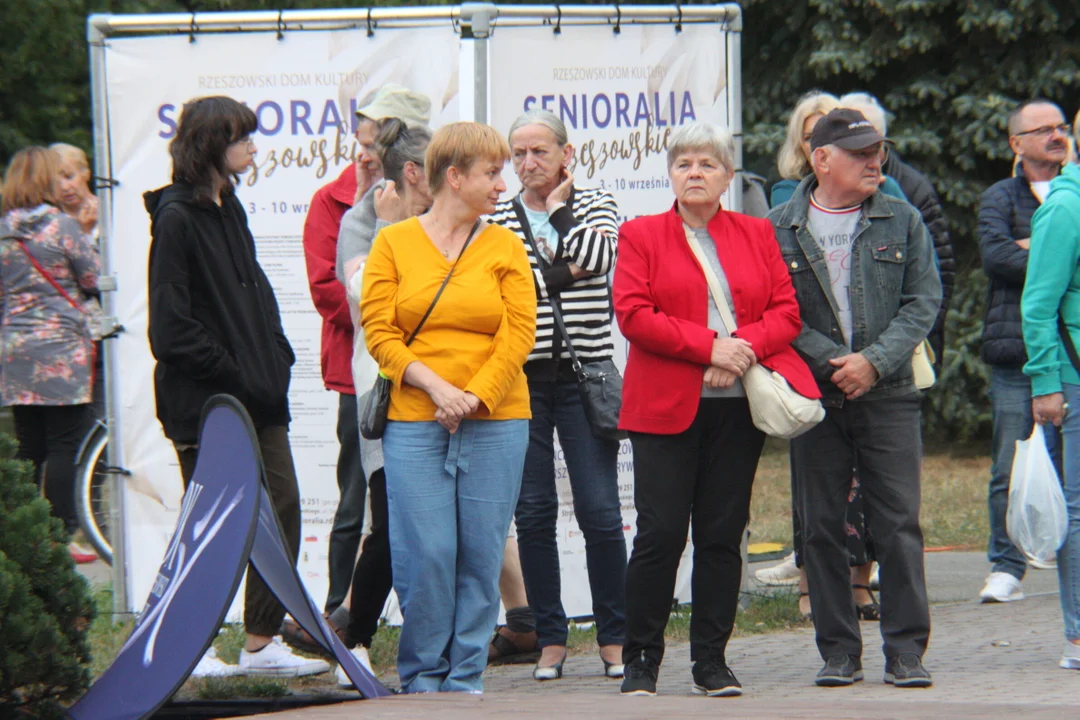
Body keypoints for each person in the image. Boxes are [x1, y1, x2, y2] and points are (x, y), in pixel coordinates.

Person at [614, 122, 819, 698]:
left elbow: (786, 311)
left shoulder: (755, 233)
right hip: (663, 408)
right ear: (671, 175)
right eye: (684, 164)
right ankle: (641, 661)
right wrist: (709, 347)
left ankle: (711, 661)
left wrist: (741, 350)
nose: (695, 173)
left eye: (707, 164)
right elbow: (633, 313)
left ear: (729, 177)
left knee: (722, 535)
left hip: (735, 409)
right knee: (658, 535)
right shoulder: (641, 235)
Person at [145, 95, 329, 678]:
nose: (254, 146)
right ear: (211, 145)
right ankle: (185, 650)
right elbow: (169, 330)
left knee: (283, 506)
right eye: (243, 137)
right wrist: (235, 369)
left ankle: (259, 643)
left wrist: (274, 355)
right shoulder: (176, 219)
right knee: (210, 525)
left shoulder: (232, 208)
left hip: (258, 395)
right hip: (207, 402)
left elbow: (258, 298)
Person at [360, 121, 536, 694]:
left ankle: (464, 678)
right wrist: (439, 390)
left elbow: (519, 333)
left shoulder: (506, 244)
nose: (501, 183)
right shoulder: (393, 242)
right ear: (453, 177)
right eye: (491, 172)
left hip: (497, 417)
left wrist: (475, 396)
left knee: (481, 553)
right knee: (427, 552)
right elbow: (379, 332)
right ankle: (422, 674)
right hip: (416, 419)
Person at [771, 108, 941, 688]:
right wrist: (832, 362)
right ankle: (839, 651)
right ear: (821, 160)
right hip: (816, 398)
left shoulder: (903, 218)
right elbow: (774, 312)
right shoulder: (777, 226)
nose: (876, 162)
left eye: (878, 152)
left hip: (888, 392)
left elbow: (923, 301)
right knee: (820, 526)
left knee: (898, 524)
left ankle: (905, 652)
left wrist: (873, 361)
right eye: (861, 153)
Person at [490, 109, 626, 681]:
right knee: (535, 511)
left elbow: (598, 258)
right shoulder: (496, 212)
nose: (527, 163)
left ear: (566, 154)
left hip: (582, 376)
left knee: (599, 510)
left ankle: (616, 637)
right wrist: (557, 267)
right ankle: (550, 638)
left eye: (539, 151)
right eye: (518, 153)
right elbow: (502, 281)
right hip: (520, 380)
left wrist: (560, 218)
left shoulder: (596, 202)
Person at [302, 83, 430, 618]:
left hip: (436, 381)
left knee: (421, 512)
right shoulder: (350, 206)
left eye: (374, 137)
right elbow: (340, 293)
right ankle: (341, 614)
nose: (366, 148)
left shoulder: (450, 209)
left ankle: (511, 617)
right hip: (370, 376)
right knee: (364, 502)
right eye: (363, 138)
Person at [978, 99, 1069, 603]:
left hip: (1070, 351)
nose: (1057, 136)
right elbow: (996, 258)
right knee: (1009, 464)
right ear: (1017, 143)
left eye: (1061, 128)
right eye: (1043, 130)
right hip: (1016, 353)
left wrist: (1032, 246)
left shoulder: (1074, 191)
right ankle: (1006, 564)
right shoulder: (999, 196)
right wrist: (1056, 252)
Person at [0, 146, 100, 564]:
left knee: (29, 447)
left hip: (14, 354)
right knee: (64, 447)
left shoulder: (2, 231)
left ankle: (20, 534)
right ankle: (57, 540)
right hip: (61, 351)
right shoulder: (62, 226)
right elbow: (93, 277)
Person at [1021, 108, 1080, 672]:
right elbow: (1039, 304)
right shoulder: (1065, 206)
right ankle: (1079, 637)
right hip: (1074, 378)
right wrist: (1046, 383)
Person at [842, 92, 955, 370]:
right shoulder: (808, 198)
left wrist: (909, 342)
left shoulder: (909, 188)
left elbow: (938, 275)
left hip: (902, 355)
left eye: (871, 142)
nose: (864, 152)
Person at [50, 143, 99, 241]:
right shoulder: (51, 224)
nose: (64, 187)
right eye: (56, 182)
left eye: (69, 177)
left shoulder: (112, 209)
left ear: (86, 174)